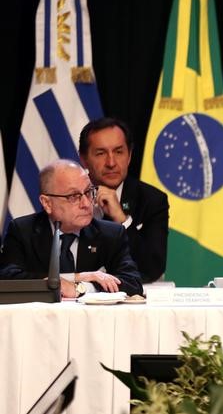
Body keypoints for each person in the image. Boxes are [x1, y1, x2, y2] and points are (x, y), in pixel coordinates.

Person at [0, 159, 143, 298]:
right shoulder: (23, 231)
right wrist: (78, 277)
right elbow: (7, 278)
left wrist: (82, 288)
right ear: (47, 203)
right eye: (74, 196)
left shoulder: (111, 234)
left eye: (88, 192)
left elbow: (133, 283)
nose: (86, 204)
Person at [79, 117, 169, 283]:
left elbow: (152, 269)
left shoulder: (152, 200)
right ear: (84, 158)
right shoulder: (69, 197)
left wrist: (122, 220)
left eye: (119, 152)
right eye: (101, 153)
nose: (111, 163)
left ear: (129, 156)